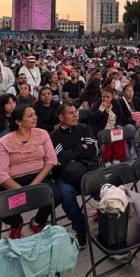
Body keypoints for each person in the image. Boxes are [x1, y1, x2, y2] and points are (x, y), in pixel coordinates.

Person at [0, 105, 61, 239]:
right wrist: (22, 190)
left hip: (38, 177)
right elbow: (1, 174)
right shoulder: (4, 142)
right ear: (18, 121)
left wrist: (34, 185)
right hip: (13, 183)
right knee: (4, 209)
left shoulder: (42, 134)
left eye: (35, 114)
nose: (35, 117)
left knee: (56, 196)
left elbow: (51, 160)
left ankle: (37, 221)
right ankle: (16, 223)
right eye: (30, 115)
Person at [49, 102, 97, 250]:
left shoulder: (84, 128)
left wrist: (72, 153)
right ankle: (81, 228)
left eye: (75, 111)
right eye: (71, 113)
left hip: (86, 170)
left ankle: (111, 220)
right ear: (61, 117)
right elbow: (60, 159)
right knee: (65, 195)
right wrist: (80, 148)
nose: (75, 115)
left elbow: (93, 151)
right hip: (65, 176)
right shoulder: (54, 136)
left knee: (105, 187)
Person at [89, 88, 128, 166]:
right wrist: (101, 109)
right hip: (102, 130)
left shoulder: (116, 104)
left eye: (107, 97)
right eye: (103, 97)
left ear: (112, 97)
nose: (105, 99)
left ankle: (117, 159)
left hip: (114, 128)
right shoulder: (97, 104)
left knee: (120, 135)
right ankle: (107, 161)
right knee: (106, 137)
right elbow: (93, 119)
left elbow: (121, 117)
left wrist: (118, 124)